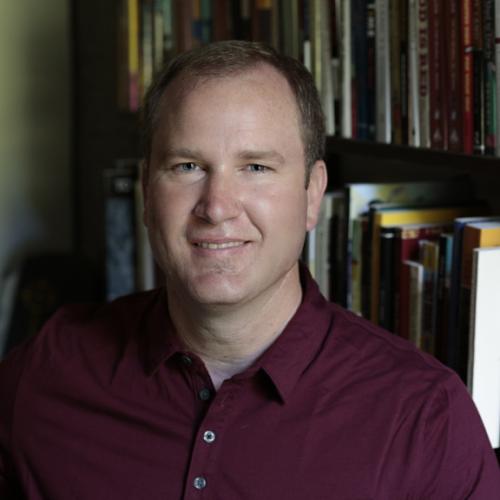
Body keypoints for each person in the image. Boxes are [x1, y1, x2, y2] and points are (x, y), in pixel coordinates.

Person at [0, 40, 498, 499]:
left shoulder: (425, 420)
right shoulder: (44, 377)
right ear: (147, 194)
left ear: (312, 193)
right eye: (186, 166)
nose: (217, 206)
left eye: (256, 167)